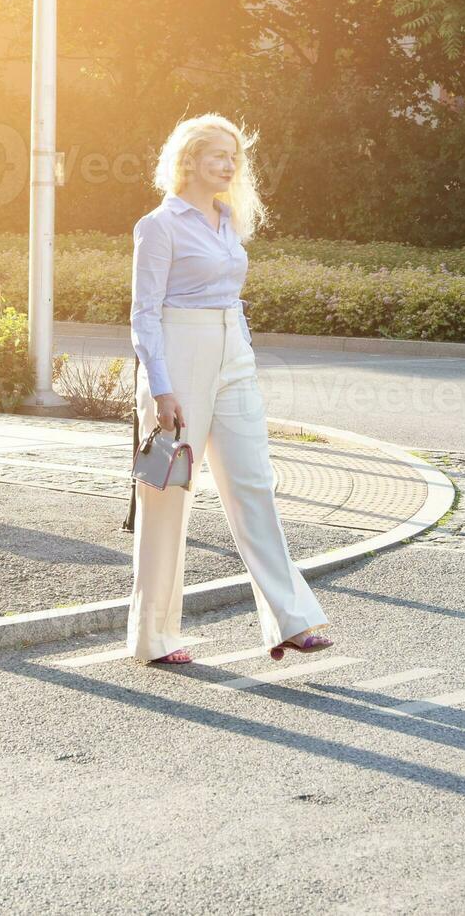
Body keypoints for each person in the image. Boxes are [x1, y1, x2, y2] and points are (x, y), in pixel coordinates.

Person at [127, 112, 332, 665]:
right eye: (219, 154)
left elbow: (232, 298)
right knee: (168, 496)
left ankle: (291, 620)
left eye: (235, 156)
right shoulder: (159, 225)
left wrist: (243, 355)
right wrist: (161, 389)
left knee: (254, 484)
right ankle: (155, 638)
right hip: (179, 355)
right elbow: (144, 315)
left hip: (232, 356)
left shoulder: (228, 220)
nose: (229, 164)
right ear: (189, 160)